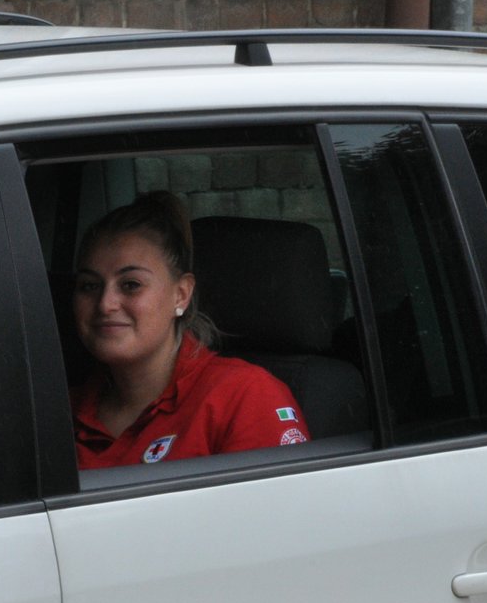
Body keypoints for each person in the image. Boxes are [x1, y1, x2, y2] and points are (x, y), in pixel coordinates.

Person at [70, 193, 311, 468]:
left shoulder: (244, 396)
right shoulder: (59, 412)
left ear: (181, 294)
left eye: (131, 284)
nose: (105, 304)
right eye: (89, 286)